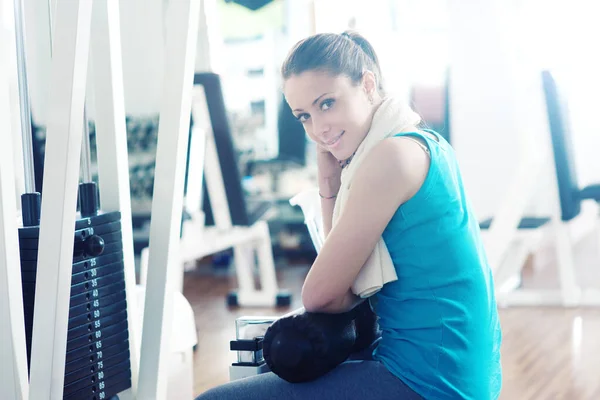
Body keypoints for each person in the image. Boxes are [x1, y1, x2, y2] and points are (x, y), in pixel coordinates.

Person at [196, 30, 502, 400]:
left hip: (428, 382)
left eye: (327, 103)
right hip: (458, 375)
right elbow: (337, 269)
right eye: (304, 116)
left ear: (368, 85)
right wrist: (329, 178)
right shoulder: (423, 141)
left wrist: (342, 294)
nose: (318, 129)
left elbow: (321, 294)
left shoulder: (391, 158)